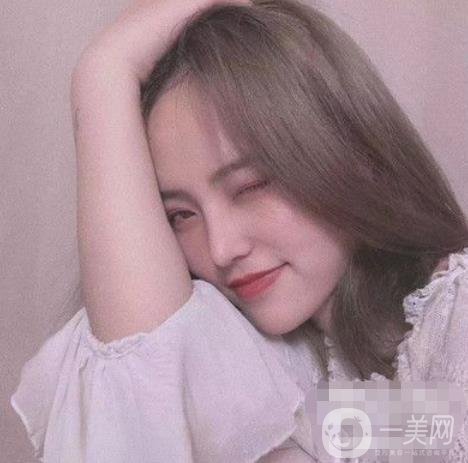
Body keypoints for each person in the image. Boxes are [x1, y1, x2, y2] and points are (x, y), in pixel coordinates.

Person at [10, 0, 468, 461]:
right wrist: (104, 76)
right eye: (180, 215)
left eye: (249, 186)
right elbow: (143, 376)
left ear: (350, 153)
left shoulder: (454, 319)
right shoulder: (288, 366)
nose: (221, 248)